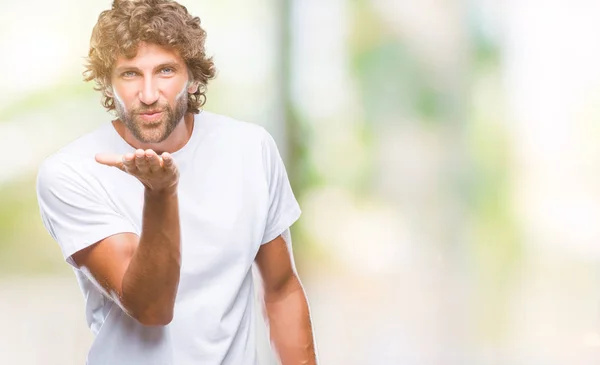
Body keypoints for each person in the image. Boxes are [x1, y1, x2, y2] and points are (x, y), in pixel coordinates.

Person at [35, 0, 317, 364]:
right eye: (130, 74)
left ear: (193, 75)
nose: (149, 95)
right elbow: (150, 308)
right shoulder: (71, 171)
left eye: (166, 71)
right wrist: (160, 192)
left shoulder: (251, 148)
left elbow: (281, 290)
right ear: (108, 83)